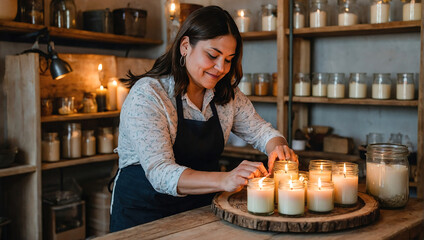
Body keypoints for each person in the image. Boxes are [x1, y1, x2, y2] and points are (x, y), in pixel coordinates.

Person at [110, 5, 297, 232]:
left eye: (229, 59)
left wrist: (278, 147)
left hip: (199, 211)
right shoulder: (149, 94)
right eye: (212, 55)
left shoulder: (227, 96)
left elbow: (261, 132)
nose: (221, 68)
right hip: (143, 215)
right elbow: (160, 173)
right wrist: (226, 179)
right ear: (186, 46)